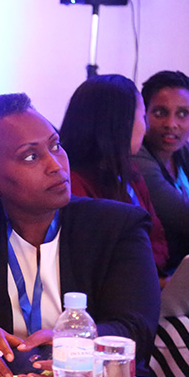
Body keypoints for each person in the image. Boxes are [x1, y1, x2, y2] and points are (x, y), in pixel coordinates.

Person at [0, 93, 160, 377]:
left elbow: (136, 327)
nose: (56, 165)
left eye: (55, 146)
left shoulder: (117, 226)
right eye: (31, 156)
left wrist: (75, 344)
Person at [59, 74, 169, 274]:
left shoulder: (130, 173)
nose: (145, 129)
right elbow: (92, 261)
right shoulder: (72, 185)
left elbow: (158, 238)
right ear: (120, 123)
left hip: (145, 282)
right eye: (142, 117)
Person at [133, 70, 189, 271]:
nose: (171, 124)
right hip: (159, 277)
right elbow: (185, 218)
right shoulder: (136, 157)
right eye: (160, 112)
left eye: (183, 114)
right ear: (143, 114)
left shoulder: (185, 152)